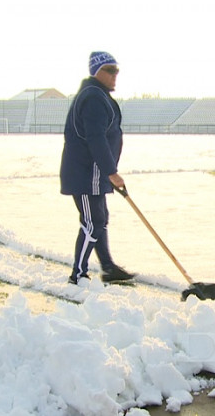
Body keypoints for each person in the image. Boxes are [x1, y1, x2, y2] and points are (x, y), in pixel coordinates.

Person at [60, 51, 134, 284]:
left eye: (116, 71)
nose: (115, 76)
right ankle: (78, 274)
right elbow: (95, 138)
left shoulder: (97, 95)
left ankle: (108, 268)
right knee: (93, 222)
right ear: (96, 72)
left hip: (95, 173)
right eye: (110, 70)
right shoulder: (93, 98)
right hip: (86, 173)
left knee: (99, 219)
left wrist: (107, 171)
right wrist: (111, 171)